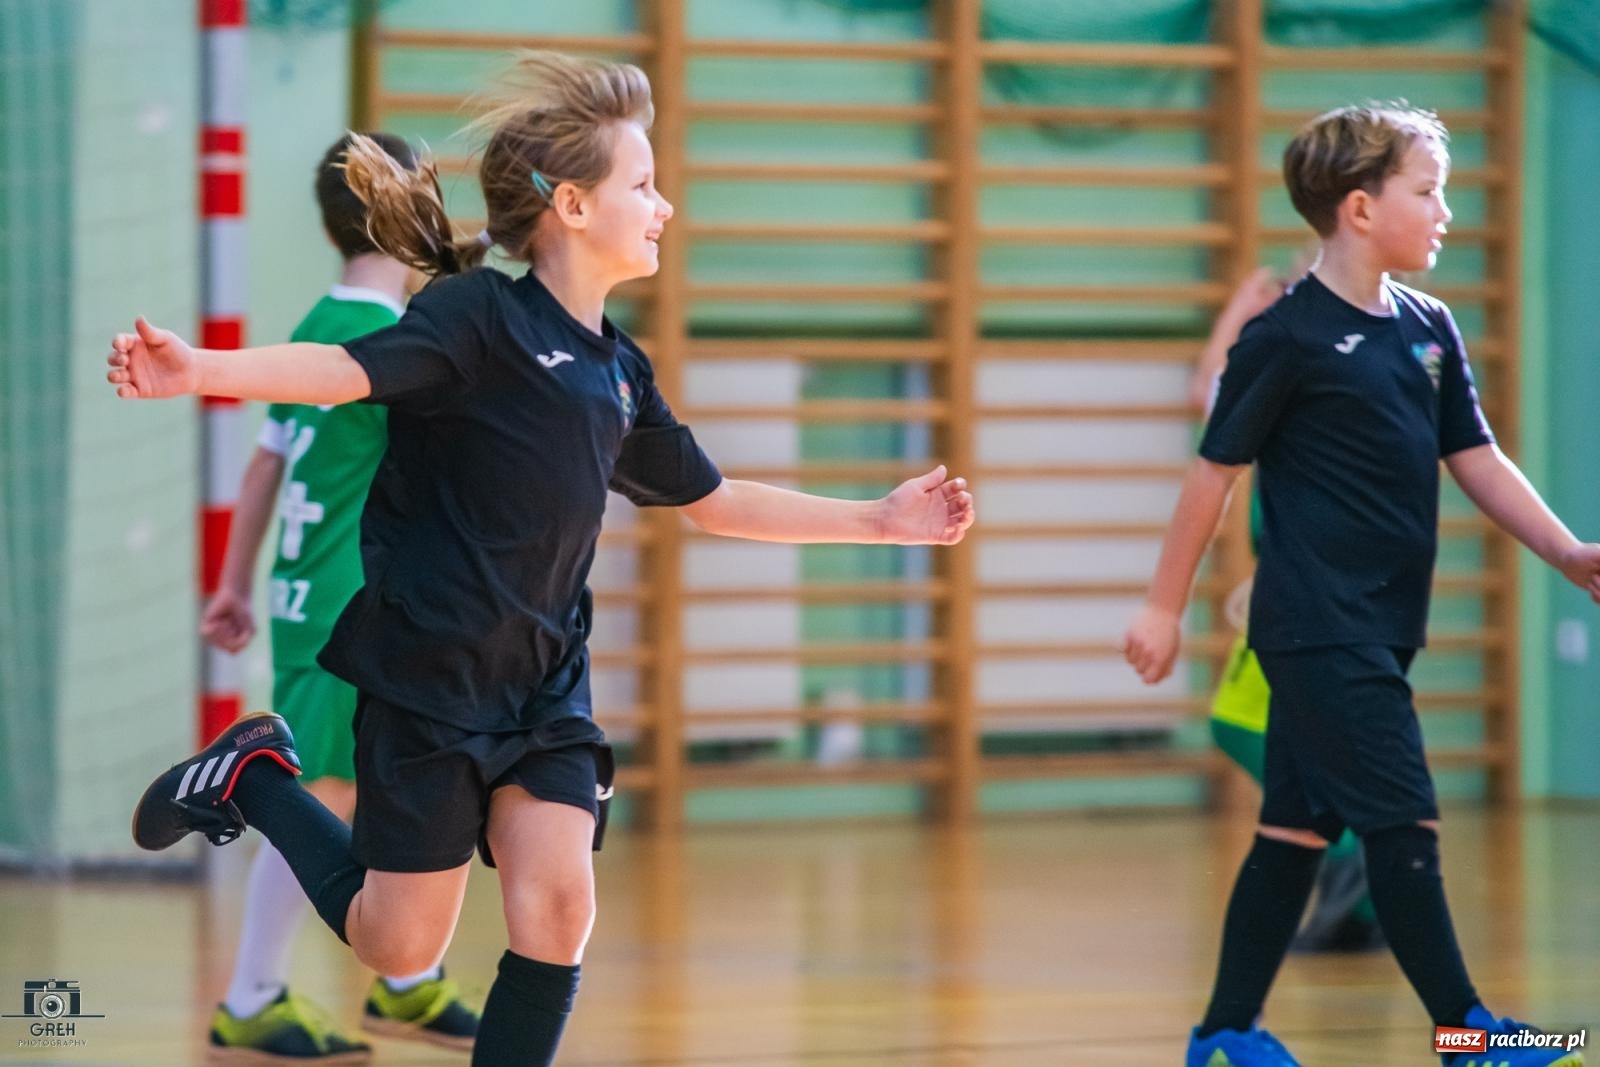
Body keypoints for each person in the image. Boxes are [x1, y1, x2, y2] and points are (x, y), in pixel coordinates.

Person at [111, 52, 974, 1067]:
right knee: (400, 938)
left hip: (544, 689)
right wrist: (199, 370)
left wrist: (879, 520)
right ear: (570, 202)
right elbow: (342, 372)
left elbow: (716, 499)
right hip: (430, 682)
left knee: (559, 905)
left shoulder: (618, 372)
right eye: (641, 184)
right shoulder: (475, 320)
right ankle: (253, 773)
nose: (662, 204)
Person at [1122, 102, 1598, 1066]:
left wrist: (1568, 552)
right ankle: (1468, 1032)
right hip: (1315, 626)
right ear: (1359, 208)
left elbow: (1477, 457)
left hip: (1381, 624)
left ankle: (1223, 1035)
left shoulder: (1429, 329)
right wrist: (1162, 606)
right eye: (1426, 191)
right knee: (1402, 817)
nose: (1445, 211)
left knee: (1294, 829)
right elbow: (1211, 475)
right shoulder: (1286, 338)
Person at [201, 133, 479, 1062]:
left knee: (372, 781)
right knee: (323, 790)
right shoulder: (387, 339)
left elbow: (263, 466)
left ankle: (403, 981)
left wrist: (236, 585)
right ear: (408, 212)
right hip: (341, 601)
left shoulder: (321, 319)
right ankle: (252, 993)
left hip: (304, 591)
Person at [1196, 264, 1384, 955]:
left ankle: (1354, 856)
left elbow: (1205, 395)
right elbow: (1209, 395)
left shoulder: (1317, 362)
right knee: (1286, 738)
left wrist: (1238, 312)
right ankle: (1354, 875)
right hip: (1293, 579)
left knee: (1255, 729)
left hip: (1308, 591)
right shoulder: (1285, 364)